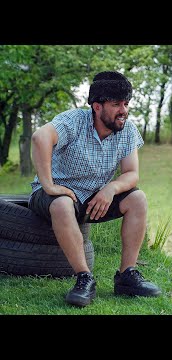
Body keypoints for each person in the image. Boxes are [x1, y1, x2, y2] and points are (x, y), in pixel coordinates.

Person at [28, 71, 161, 307]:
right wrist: (49, 185)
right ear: (97, 107)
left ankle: (127, 275)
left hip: (93, 198)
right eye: (115, 104)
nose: (123, 110)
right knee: (61, 203)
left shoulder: (127, 130)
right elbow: (40, 137)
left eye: (126, 104)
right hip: (53, 196)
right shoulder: (74, 120)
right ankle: (84, 278)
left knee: (138, 198)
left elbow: (131, 173)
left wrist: (111, 188)